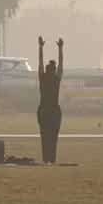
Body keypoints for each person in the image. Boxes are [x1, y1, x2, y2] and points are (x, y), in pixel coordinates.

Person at [37, 36, 64, 164]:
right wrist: (60, 49)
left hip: (43, 110)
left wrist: (41, 47)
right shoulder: (56, 79)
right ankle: (52, 159)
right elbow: (61, 65)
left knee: (44, 137)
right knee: (53, 137)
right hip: (54, 111)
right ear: (54, 70)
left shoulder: (42, 78)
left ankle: (46, 159)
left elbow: (40, 63)